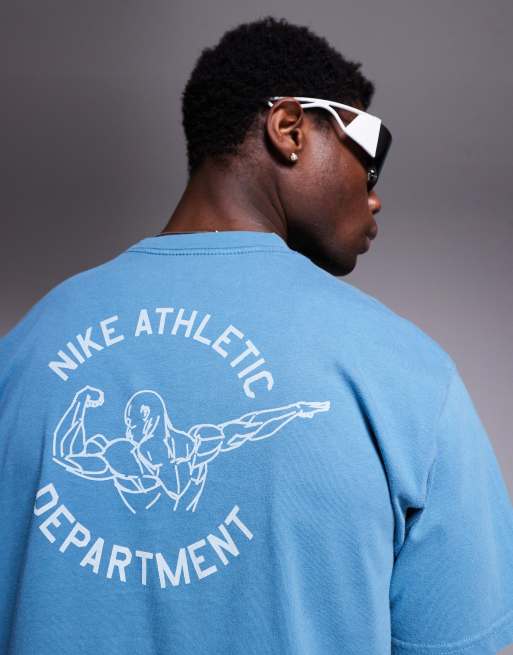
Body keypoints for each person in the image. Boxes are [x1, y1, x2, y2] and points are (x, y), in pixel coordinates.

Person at [0, 15, 512, 655]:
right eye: (369, 155)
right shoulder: (410, 379)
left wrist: (79, 403)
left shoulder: (20, 358)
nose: (375, 194)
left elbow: (246, 427)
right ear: (290, 128)